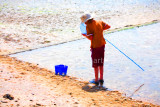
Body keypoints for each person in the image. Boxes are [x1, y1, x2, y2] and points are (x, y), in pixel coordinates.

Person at [80, 13, 111, 86]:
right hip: (102, 45)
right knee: (101, 62)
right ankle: (101, 79)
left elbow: (91, 38)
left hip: (95, 46)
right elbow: (108, 26)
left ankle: (96, 80)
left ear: (86, 21)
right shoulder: (100, 21)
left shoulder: (88, 26)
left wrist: (85, 35)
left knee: (96, 63)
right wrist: (100, 31)